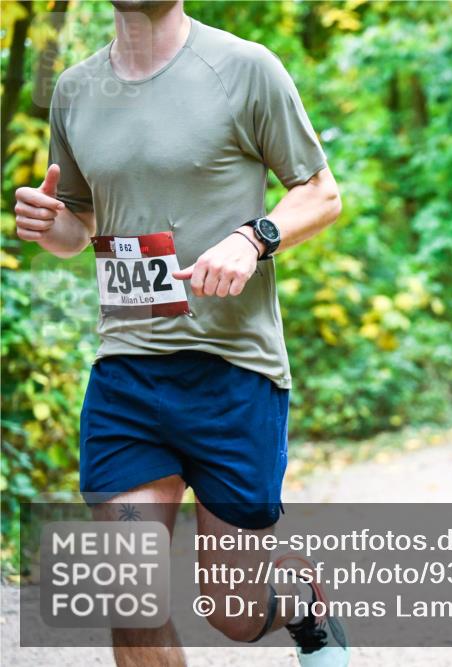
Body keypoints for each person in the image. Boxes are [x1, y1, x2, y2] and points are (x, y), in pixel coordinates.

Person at [13, 1, 348, 665]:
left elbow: (321, 193)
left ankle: (300, 598)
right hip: (127, 375)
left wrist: (255, 238)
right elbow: (79, 225)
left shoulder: (245, 69)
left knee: (235, 611)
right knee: (128, 597)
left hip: (234, 374)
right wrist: (53, 226)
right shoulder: (76, 90)